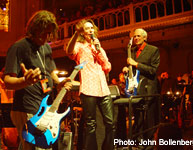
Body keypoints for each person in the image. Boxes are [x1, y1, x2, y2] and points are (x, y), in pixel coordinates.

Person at [3, 10, 72, 150]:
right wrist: (25, 81)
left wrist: (59, 83)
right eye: (44, 32)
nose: (47, 37)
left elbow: (50, 72)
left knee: (42, 147)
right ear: (34, 29)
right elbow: (7, 81)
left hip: (44, 107)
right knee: (35, 147)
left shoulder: (46, 47)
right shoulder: (18, 47)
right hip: (25, 107)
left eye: (49, 33)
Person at [65, 19, 115, 150]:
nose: (90, 30)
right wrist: (75, 34)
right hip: (88, 88)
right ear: (82, 32)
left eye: (91, 28)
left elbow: (107, 67)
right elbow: (69, 51)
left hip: (103, 89)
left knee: (110, 122)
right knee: (91, 124)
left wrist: (98, 50)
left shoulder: (99, 47)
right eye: (87, 28)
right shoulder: (79, 46)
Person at [123, 28, 160, 150]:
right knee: (137, 116)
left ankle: (149, 143)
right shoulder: (132, 50)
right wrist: (127, 69)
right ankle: (138, 142)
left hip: (149, 89)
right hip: (136, 88)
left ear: (145, 37)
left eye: (138, 36)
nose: (136, 38)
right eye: (135, 36)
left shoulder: (153, 50)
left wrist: (136, 64)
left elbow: (153, 71)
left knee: (148, 117)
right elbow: (133, 68)